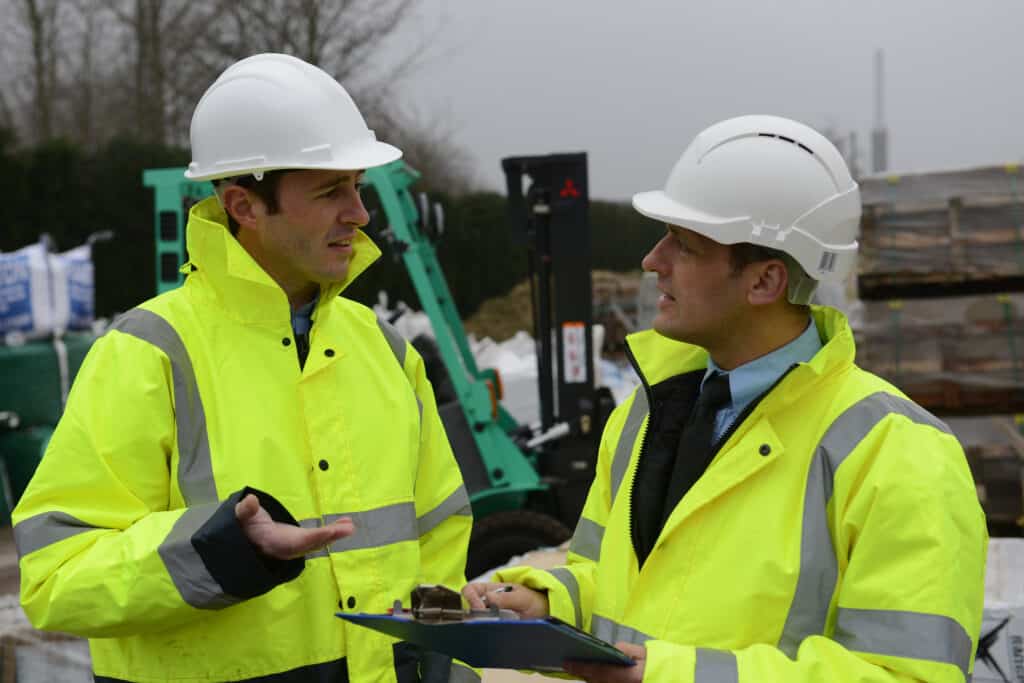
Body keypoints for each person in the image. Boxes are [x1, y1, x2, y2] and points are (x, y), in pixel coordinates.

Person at [464, 115, 987, 683]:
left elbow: (905, 676)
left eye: (684, 244)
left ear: (764, 282)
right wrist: (549, 606)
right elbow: (615, 587)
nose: (652, 260)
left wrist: (676, 674)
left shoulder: (899, 453)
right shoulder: (642, 415)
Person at [13, 53, 475, 683]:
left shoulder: (385, 348)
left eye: (358, 187)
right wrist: (224, 553)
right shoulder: (147, 354)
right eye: (330, 191)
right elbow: (56, 575)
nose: (361, 215)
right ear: (243, 205)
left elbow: (440, 535)